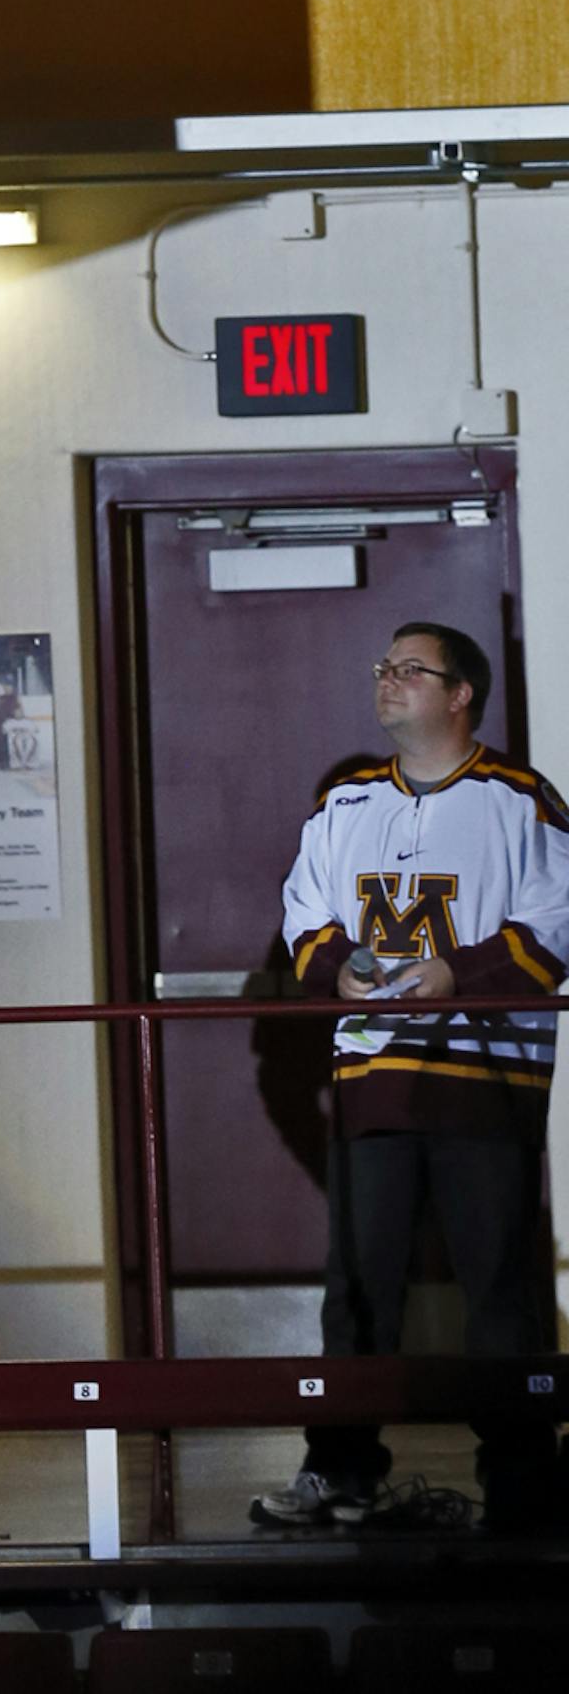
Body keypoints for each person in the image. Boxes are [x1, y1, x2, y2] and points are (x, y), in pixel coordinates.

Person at [254, 620, 569, 1534]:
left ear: (461, 692)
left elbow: (558, 917)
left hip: (485, 1078)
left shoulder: (520, 799)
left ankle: (520, 1484)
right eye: (382, 667)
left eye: (410, 670)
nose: (387, 680)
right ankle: (341, 1470)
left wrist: (457, 975)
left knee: (499, 1291)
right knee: (355, 1289)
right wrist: (336, 969)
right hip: (373, 1077)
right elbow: (305, 911)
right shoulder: (345, 803)